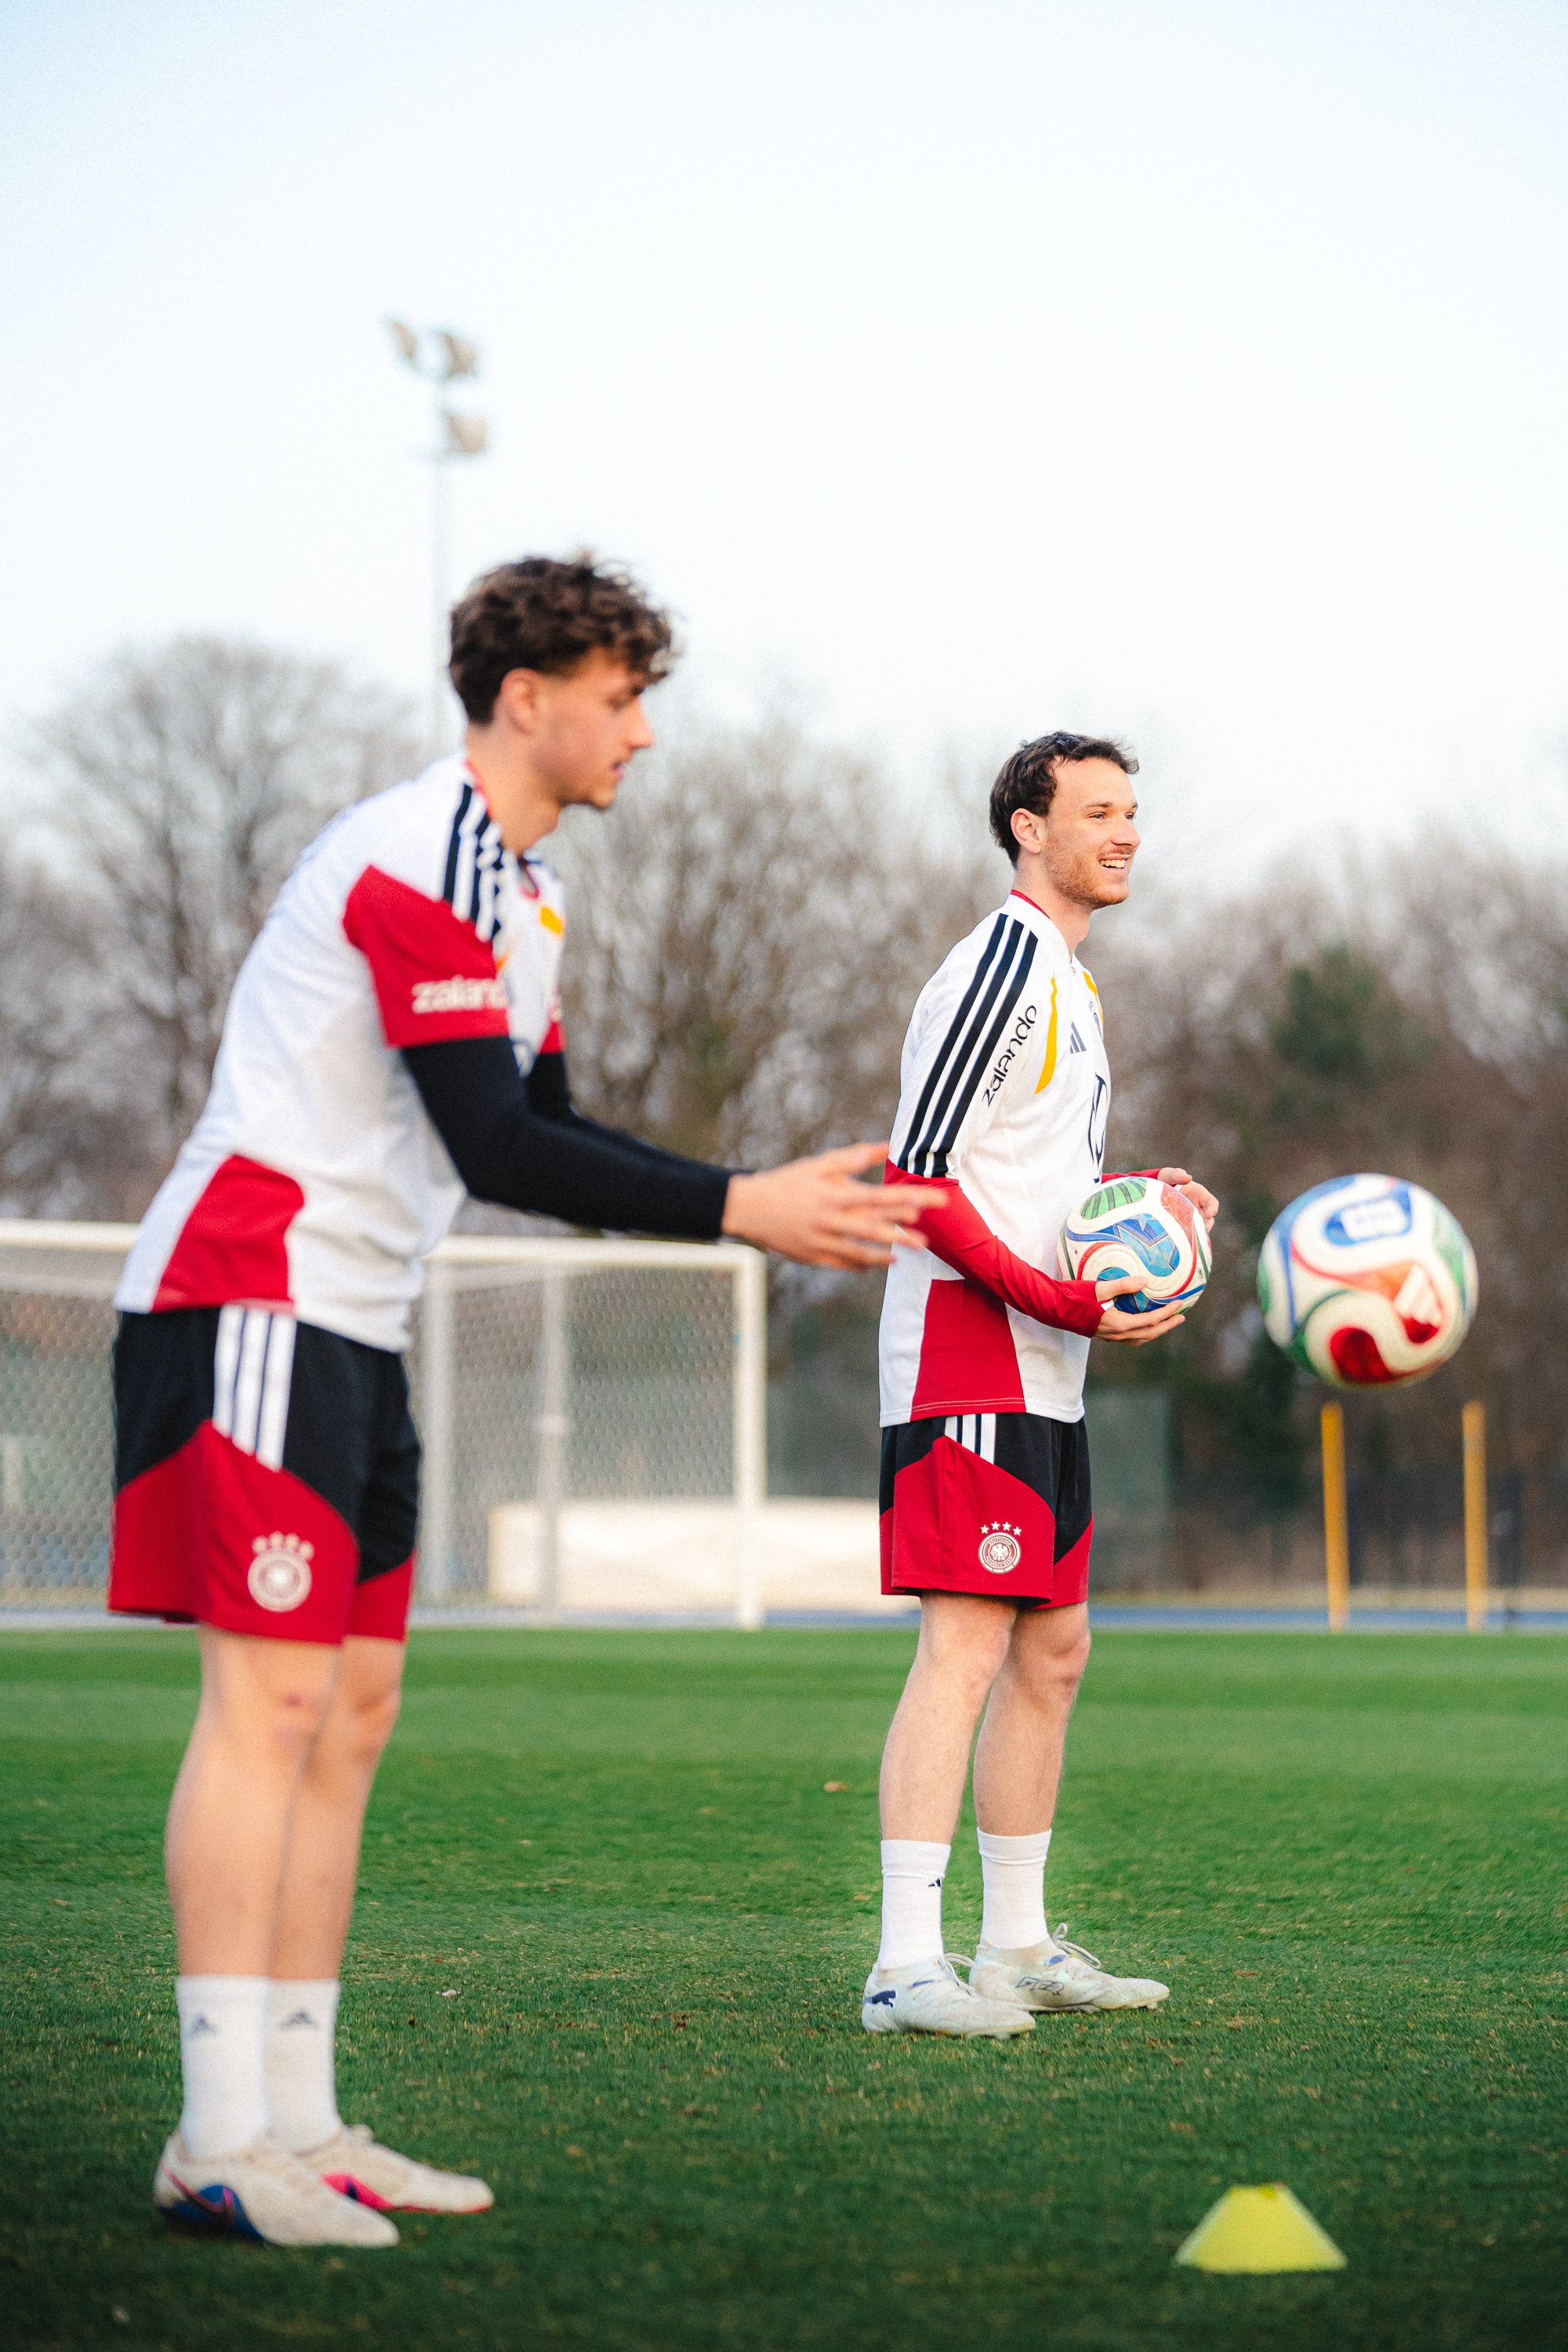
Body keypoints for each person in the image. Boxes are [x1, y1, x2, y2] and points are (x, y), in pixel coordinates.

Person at [109, 555, 943, 2245]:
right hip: (248, 1293)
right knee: (264, 1715)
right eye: (619, 695)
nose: (641, 729)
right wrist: (744, 1202)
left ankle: (303, 2121)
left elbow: (541, 1135)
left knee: (346, 1723)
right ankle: (212, 2139)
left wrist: (754, 1193)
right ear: (524, 699)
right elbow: (494, 1142)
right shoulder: (416, 854)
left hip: (354, 1321)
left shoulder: (529, 895)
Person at [862, 731, 1218, 2038]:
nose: (1126, 834)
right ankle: (906, 1967)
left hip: (1044, 1366)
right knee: (963, 1650)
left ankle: (1012, 1948)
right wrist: (1066, 1298)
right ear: (1027, 826)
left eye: (1135, 812)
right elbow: (921, 1180)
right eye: (1099, 812)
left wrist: (1146, 1202)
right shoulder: (1006, 962)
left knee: (1053, 1653)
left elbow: (1039, 1182)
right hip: (973, 1353)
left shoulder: (1071, 979)